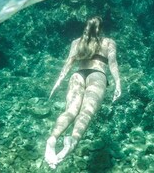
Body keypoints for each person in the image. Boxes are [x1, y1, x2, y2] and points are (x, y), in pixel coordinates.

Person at [45, 16, 122, 169]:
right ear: (102, 29)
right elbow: (112, 63)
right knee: (85, 113)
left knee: (70, 111)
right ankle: (72, 142)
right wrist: (118, 83)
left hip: (77, 75)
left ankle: (52, 139)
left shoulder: (76, 42)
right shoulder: (108, 42)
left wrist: (57, 83)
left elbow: (67, 65)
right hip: (97, 75)